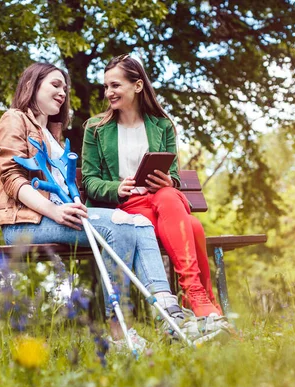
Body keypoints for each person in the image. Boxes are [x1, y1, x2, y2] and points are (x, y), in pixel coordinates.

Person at [0, 62, 203, 348]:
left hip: (58, 216)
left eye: (65, 87)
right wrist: (55, 211)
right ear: (32, 85)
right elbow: (12, 179)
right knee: (121, 225)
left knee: (138, 221)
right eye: (55, 85)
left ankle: (167, 311)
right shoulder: (14, 119)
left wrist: (69, 207)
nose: (62, 92)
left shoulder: (52, 134)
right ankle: (119, 331)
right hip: (27, 222)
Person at [82, 54, 225, 322]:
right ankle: (201, 301)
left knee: (170, 194)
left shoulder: (162, 125)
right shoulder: (95, 128)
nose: (108, 93)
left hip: (161, 202)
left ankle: (194, 296)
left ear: (137, 86)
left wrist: (169, 181)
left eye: (115, 85)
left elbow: (172, 175)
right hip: (126, 209)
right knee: (193, 228)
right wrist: (116, 187)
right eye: (106, 87)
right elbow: (89, 182)